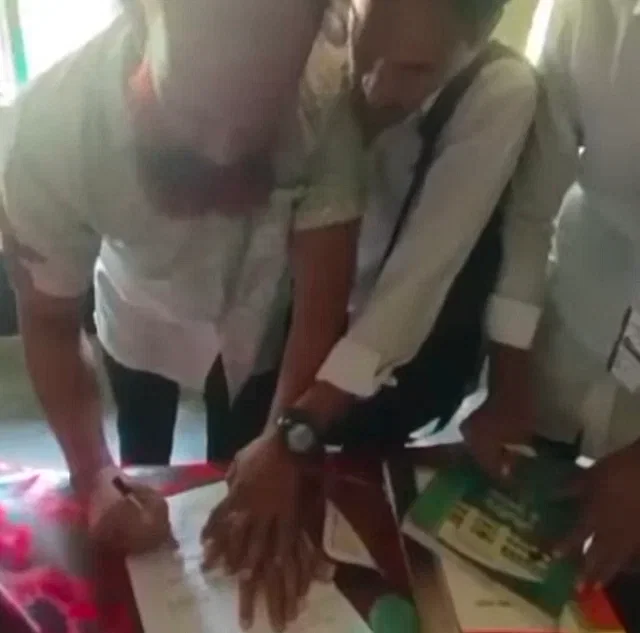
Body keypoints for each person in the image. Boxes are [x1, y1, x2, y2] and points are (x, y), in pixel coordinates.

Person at [0, 0, 364, 578]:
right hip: (138, 319)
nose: (222, 153)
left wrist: (284, 438)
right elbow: (48, 322)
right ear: (143, 16)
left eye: (255, 122)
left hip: (258, 326)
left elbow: (323, 298)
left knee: (244, 465)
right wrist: (96, 477)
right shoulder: (47, 132)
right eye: (193, 113)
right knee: (140, 458)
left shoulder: (326, 94)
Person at [202, 0, 536, 628]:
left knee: (347, 508)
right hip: (295, 313)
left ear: (480, 35)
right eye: (365, 49)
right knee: (241, 478)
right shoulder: (314, 41)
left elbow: (413, 289)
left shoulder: (501, 94)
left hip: (399, 349)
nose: (375, 88)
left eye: (412, 68)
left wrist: (294, 430)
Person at [462, 0, 640, 591]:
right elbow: (533, 210)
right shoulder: (590, 13)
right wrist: (508, 376)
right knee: (505, 567)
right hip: (574, 318)